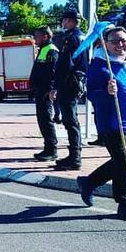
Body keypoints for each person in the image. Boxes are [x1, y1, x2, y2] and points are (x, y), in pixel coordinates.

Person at [77, 26, 126, 222]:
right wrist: (107, 92)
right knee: (122, 163)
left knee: (125, 162)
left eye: (123, 40)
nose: (120, 44)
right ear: (105, 44)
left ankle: (89, 182)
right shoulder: (100, 66)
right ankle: (125, 204)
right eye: (115, 41)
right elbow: (92, 95)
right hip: (112, 123)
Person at [48, 10, 88, 170]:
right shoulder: (82, 36)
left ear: (70, 21)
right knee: (71, 120)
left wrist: (55, 87)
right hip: (77, 81)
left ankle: (75, 157)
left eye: (64, 20)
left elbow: (65, 65)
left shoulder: (71, 38)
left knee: (70, 121)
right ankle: (73, 155)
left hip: (69, 83)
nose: (62, 23)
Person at [29, 27, 60, 161]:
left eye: (37, 37)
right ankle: (47, 148)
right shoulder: (43, 49)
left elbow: (54, 73)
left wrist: (51, 90)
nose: (35, 40)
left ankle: (51, 150)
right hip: (40, 91)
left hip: (45, 92)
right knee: (42, 120)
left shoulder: (51, 50)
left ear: (45, 37)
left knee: (46, 120)